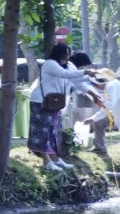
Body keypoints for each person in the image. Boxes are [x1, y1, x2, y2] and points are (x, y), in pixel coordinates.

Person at [29, 42, 97, 171]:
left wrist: (92, 84)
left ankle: (55, 159)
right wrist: (87, 72)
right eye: (65, 54)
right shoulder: (50, 64)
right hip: (41, 102)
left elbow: (76, 80)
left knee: (53, 131)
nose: (67, 57)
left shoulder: (68, 65)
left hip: (54, 103)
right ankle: (46, 161)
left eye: (68, 55)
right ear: (58, 53)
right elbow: (66, 75)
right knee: (44, 131)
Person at [67, 51, 110, 157]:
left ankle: (100, 147)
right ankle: (99, 147)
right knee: (98, 122)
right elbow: (81, 83)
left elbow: (108, 106)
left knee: (98, 122)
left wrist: (93, 117)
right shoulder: (70, 69)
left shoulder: (112, 86)